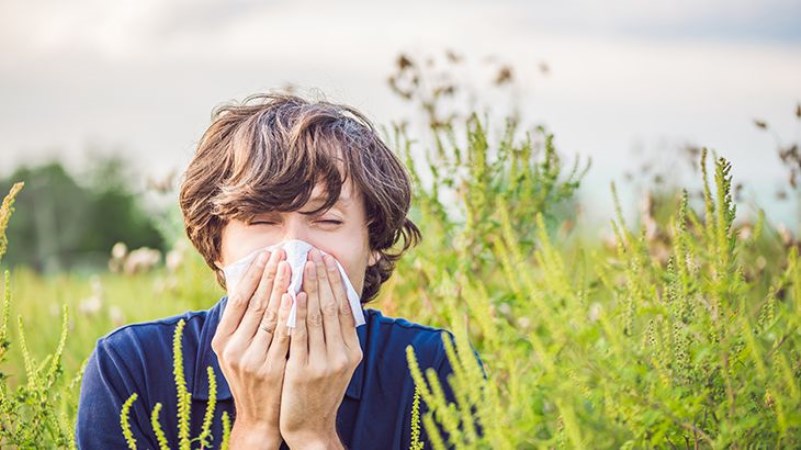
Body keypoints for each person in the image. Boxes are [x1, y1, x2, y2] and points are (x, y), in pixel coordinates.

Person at [75, 91, 485, 449]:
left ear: (373, 243)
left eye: (326, 221)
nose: (295, 250)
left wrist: (315, 436)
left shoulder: (435, 369)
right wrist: (254, 431)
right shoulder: (132, 370)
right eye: (261, 220)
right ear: (216, 244)